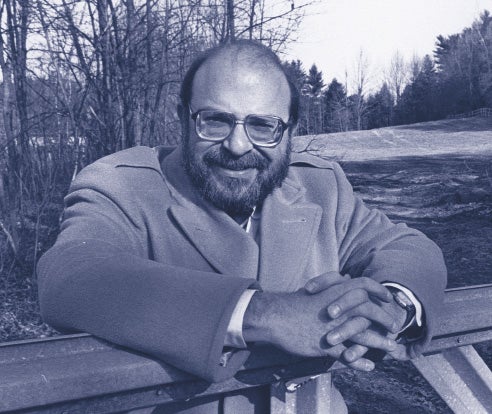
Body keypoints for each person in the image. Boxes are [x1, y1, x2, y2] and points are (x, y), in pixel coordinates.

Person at [37, 40, 447, 413]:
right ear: (183, 119)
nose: (238, 146)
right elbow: (72, 274)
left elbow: (406, 245)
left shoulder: (320, 186)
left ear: (289, 132)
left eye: (263, 126)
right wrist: (264, 313)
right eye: (215, 121)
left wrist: (392, 305)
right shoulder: (123, 185)